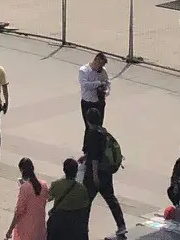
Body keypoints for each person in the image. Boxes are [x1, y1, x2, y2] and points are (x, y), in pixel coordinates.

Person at [80, 105, 124, 240]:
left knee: (86, 202)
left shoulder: (91, 134)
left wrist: (94, 176)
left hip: (95, 173)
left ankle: (83, 230)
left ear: (88, 120)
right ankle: (121, 226)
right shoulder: (104, 132)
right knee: (110, 198)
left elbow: (93, 157)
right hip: (106, 172)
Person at [46, 157, 94, 240]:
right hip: (74, 223)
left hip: (58, 222)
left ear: (64, 170)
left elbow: (48, 198)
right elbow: (85, 207)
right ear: (76, 171)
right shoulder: (82, 189)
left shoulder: (56, 184)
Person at [6, 158, 47, 240]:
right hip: (40, 225)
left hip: (26, 227)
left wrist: (10, 230)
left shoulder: (25, 188)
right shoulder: (44, 185)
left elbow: (19, 211)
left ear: (22, 171)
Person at [77, 51, 110, 128]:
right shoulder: (84, 70)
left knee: (99, 126)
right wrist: (99, 83)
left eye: (102, 65)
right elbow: (85, 85)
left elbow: (107, 82)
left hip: (99, 102)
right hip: (88, 102)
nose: (101, 67)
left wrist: (106, 91)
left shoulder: (103, 71)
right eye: (100, 65)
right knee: (89, 127)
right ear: (96, 61)